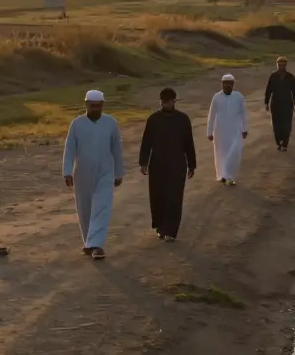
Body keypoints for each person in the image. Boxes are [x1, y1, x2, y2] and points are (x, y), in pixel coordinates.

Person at [63, 89, 125, 260]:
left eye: (99, 106)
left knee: (102, 208)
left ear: (103, 105)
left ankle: (97, 245)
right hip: (82, 173)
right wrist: (67, 172)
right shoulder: (76, 124)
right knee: (85, 210)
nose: (96, 109)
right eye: (92, 106)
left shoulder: (111, 123)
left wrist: (119, 172)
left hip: (105, 172)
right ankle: (88, 244)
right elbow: (69, 150)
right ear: (86, 105)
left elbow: (117, 150)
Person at [138, 88, 196, 242]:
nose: (168, 104)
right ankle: (160, 227)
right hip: (157, 164)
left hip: (177, 164)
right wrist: (143, 162)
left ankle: (170, 230)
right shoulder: (153, 120)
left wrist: (192, 164)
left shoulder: (183, 119)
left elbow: (189, 143)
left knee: (175, 198)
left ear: (174, 101)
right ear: (161, 102)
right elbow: (146, 143)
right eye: (165, 102)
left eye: (171, 101)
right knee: (158, 196)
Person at [207, 74, 248, 186]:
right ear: (222, 84)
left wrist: (245, 128)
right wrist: (209, 132)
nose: (226, 86)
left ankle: (228, 175)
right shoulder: (216, 97)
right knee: (221, 153)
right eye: (224, 83)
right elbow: (211, 115)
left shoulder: (239, 97)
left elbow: (244, 113)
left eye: (229, 83)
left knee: (235, 152)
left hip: (235, 130)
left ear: (233, 84)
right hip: (220, 130)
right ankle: (224, 176)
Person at [264, 57, 295, 151]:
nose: (281, 67)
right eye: (279, 65)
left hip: (287, 104)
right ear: (277, 65)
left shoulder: (290, 77)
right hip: (275, 103)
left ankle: (285, 143)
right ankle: (278, 142)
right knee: (276, 124)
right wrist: (266, 102)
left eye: (283, 65)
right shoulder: (273, 76)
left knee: (287, 124)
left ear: (286, 65)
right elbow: (269, 90)